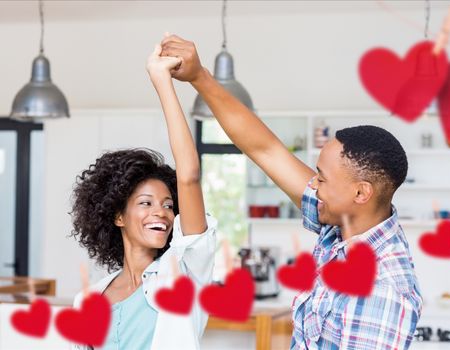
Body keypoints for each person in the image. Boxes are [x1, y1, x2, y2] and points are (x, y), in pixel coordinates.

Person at [160, 35, 422, 349]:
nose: (312, 184)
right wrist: (200, 77)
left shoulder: (381, 287)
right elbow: (266, 150)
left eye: (322, 179)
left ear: (361, 193)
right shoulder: (344, 226)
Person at [70, 42, 217, 350]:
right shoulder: (89, 299)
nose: (161, 213)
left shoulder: (183, 273)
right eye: (146, 203)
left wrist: (162, 81)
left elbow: (188, 175)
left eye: (167, 205)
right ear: (118, 215)